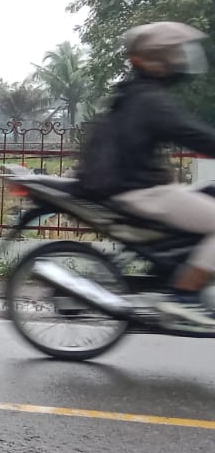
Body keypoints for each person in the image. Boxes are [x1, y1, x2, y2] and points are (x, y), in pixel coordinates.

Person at [75, 21, 215, 325]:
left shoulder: (137, 93)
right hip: (141, 191)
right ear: (155, 61)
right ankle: (185, 295)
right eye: (174, 55)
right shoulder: (151, 100)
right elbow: (193, 134)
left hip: (137, 185)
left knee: (207, 194)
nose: (180, 61)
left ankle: (169, 273)